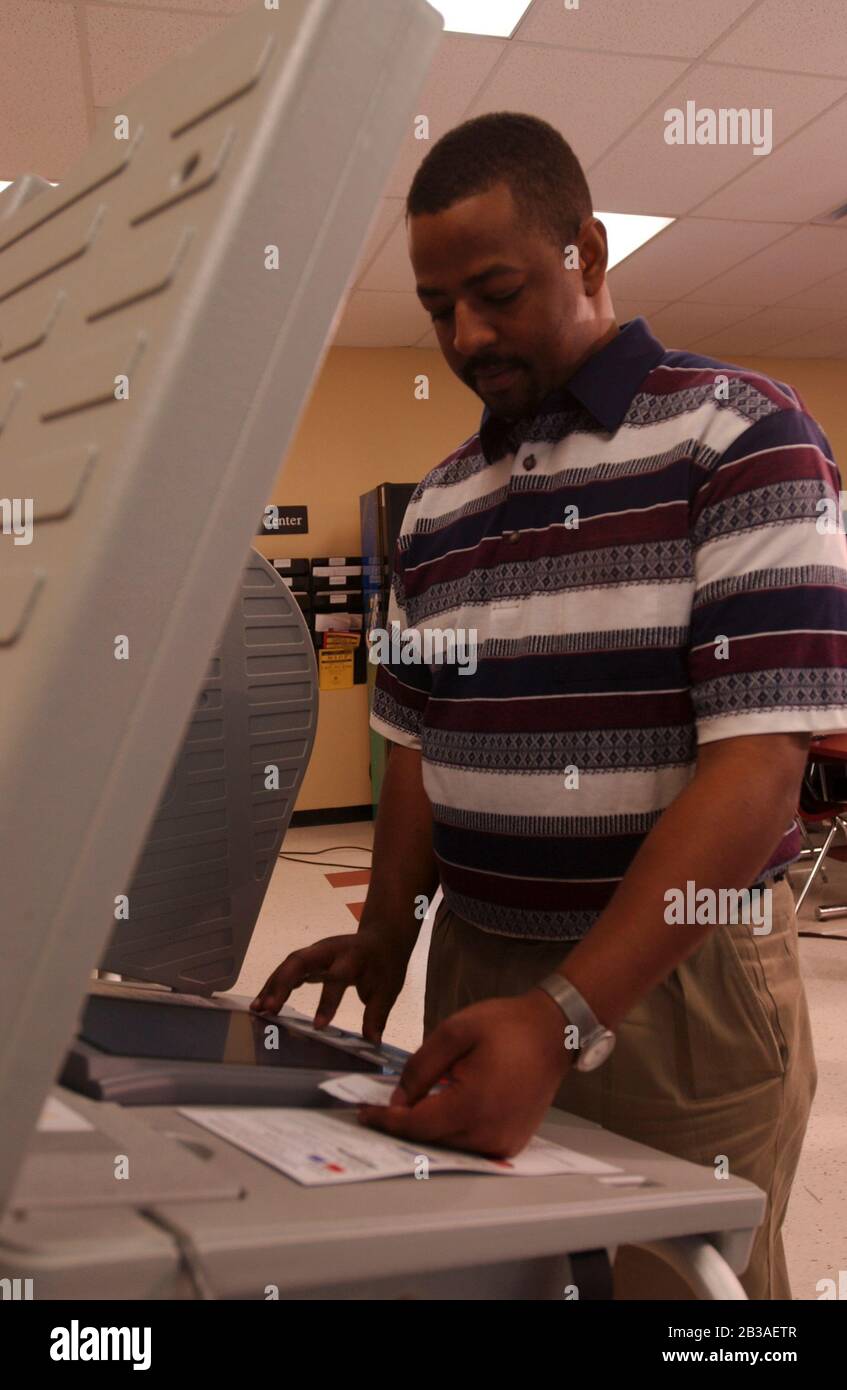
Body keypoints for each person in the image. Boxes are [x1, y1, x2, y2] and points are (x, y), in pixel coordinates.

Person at [252, 112, 847, 1299]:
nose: (466, 335)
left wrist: (568, 1013)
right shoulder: (439, 505)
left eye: (496, 291)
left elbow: (758, 769)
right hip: (476, 966)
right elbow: (414, 739)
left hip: (671, 989)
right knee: (508, 1282)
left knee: (686, 1296)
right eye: (437, 308)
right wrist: (388, 931)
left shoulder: (741, 438)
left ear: (585, 249)